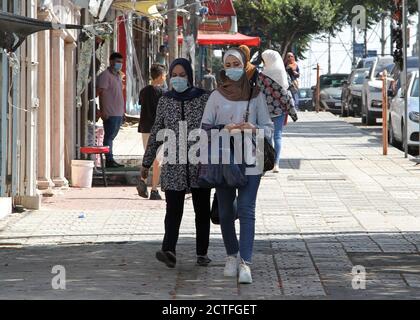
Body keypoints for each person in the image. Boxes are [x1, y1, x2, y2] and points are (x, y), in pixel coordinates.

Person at [201, 48, 274, 284]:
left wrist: (252, 128)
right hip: (223, 158)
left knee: (246, 208)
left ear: (245, 66)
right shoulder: (215, 97)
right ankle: (231, 255)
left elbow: (268, 126)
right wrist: (225, 129)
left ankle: (245, 262)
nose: (232, 68)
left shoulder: (256, 95)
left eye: (236, 63)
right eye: (228, 64)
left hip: (252, 156)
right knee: (225, 211)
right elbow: (204, 129)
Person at [140, 58, 212, 268]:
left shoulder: (203, 98)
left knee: (202, 210)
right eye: (175, 75)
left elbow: (212, 128)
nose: (178, 79)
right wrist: (146, 162)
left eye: (182, 75)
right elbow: (156, 133)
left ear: (189, 76)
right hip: (173, 164)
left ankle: (202, 252)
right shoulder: (166, 100)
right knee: (173, 210)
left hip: (198, 162)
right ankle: (168, 249)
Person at [258, 49, 298, 173]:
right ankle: (276, 163)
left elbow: (258, 92)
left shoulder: (262, 75)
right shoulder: (283, 73)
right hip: (280, 109)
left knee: (268, 136)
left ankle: (268, 163)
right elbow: (289, 90)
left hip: (265, 110)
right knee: (278, 136)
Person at [137, 64, 167, 200]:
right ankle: (154, 189)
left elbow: (141, 105)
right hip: (158, 130)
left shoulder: (143, 91)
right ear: (161, 76)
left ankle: (142, 181)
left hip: (145, 129)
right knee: (157, 160)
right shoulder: (163, 93)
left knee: (147, 157)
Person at [96, 52, 125, 168]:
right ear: (111, 61)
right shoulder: (105, 76)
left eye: (121, 62)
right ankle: (109, 159)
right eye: (118, 62)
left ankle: (110, 158)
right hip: (110, 113)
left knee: (112, 137)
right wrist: (103, 111)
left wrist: (123, 112)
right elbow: (100, 93)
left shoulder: (118, 76)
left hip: (118, 112)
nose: (119, 64)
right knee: (108, 137)